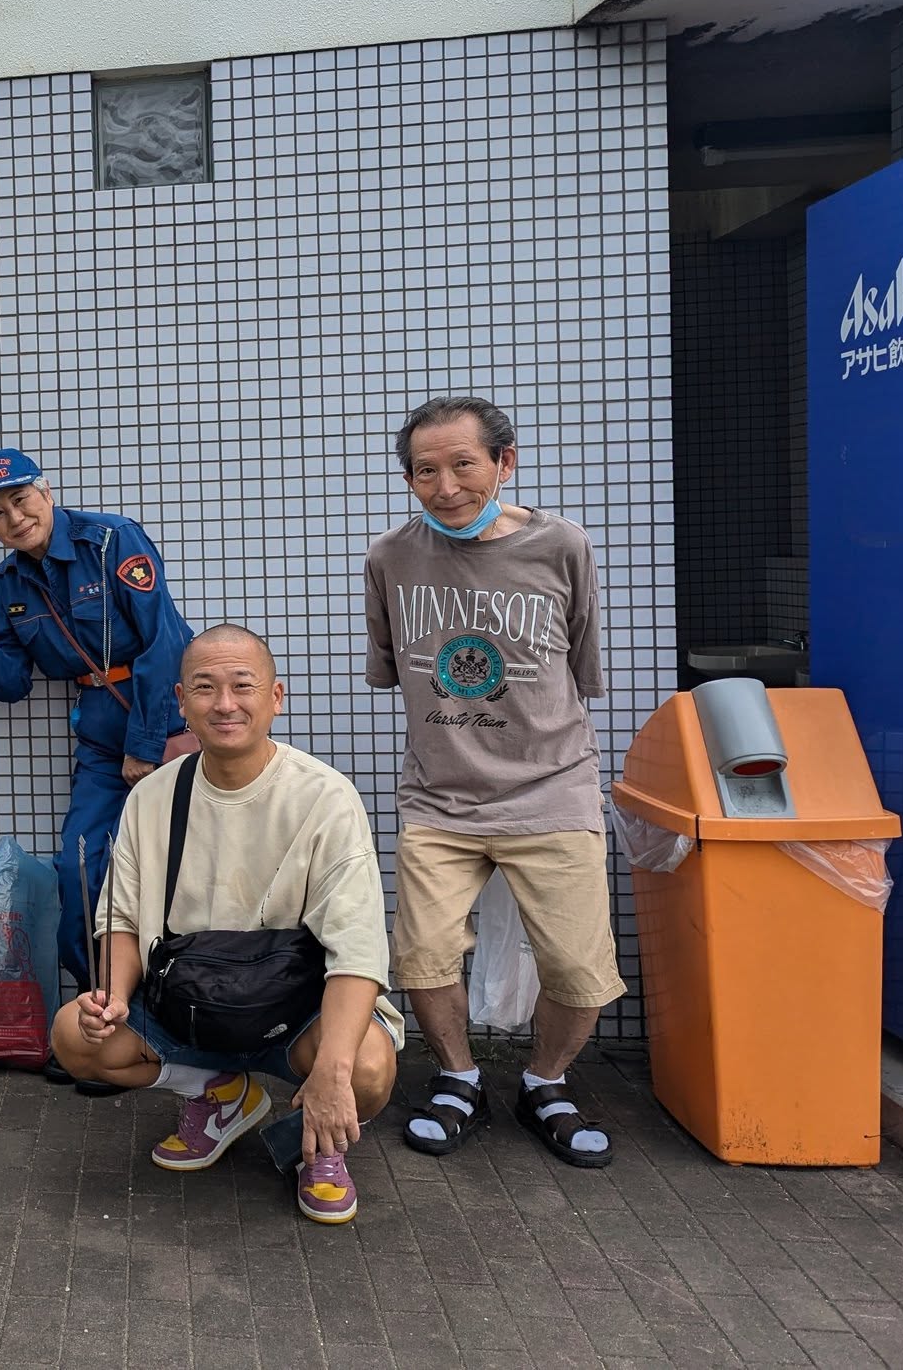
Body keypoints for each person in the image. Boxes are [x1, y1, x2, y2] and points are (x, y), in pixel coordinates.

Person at [50, 625, 401, 1224]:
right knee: (76, 1037)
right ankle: (219, 1095)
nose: (225, 704)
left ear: (276, 697)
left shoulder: (325, 797)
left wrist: (333, 1071)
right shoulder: (151, 798)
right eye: (205, 688)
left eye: (243, 685)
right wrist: (113, 996)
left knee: (365, 1067)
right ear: (182, 702)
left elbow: (357, 947)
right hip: (186, 1002)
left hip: (294, 1009)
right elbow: (122, 919)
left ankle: (318, 1137)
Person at [363, 395, 625, 1169]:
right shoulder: (390, 558)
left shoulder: (562, 546)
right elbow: (393, 665)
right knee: (423, 954)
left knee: (580, 967)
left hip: (553, 786)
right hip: (440, 796)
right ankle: (459, 1078)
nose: (445, 486)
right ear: (409, 479)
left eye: (463, 464)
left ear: (504, 463)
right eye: (425, 471)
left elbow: (580, 663)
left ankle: (546, 1081)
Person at [0, 449, 194, 1014]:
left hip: (165, 721)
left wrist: (144, 745)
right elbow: (12, 685)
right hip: (101, 740)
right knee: (79, 870)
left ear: (46, 492)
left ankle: (182, 1008)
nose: (15, 518)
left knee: (180, 872)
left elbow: (165, 643)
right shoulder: (10, 581)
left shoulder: (110, 541)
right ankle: (106, 1007)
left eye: (21, 499)